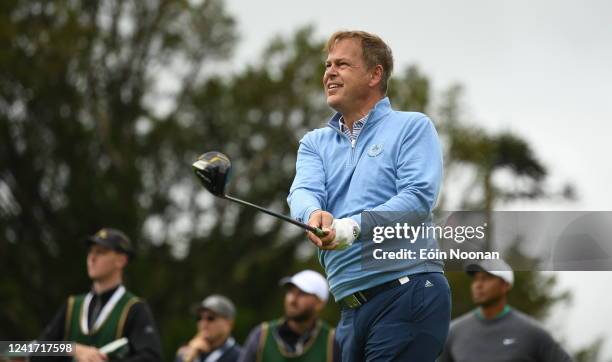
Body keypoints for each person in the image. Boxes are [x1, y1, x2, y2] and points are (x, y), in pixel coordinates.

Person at [287, 30, 450, 361]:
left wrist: (352, 226)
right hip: (350, 308)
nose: (329, 72)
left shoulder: (411, 127)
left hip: (408, 290)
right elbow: (303, 191)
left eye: (343, 64)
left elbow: (417, 199)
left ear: (375, 74)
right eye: (328, 64)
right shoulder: (314, 143)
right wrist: (311, 215)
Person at [32, 227, 162, 362]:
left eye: (101, 252)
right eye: (90, 252)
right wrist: (73, 349)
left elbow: (151, 358)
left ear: (121, 260)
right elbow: (18, 349)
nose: (92, 258)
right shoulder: (72, 305)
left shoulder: (134, 308)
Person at [439, 259, 573, 362]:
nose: (478, 285)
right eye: (476, 279)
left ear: (505, 285)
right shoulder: (453, 332)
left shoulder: (531, 332)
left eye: (486, 279)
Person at [238, 270, 339, 362]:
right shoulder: (260, 336)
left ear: (319, 303)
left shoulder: (333, 342)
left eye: (302, 293)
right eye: (290, 291)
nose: (292, 300)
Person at [175, 295, 242, 362]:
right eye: (199, 318)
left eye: (211, 318)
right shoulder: (186, 354)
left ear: (229, 324)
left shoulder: (241, 356)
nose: (203, 323)